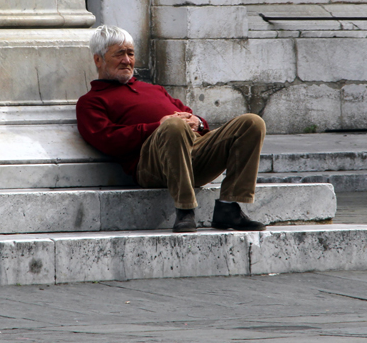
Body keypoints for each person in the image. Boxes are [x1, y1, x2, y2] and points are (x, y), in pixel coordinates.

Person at [76, 25, 267, 233]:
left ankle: (229, 208)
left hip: (194, 153)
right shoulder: (91, 101)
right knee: (173, 125)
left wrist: (198, 122)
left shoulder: (153, 89)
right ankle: (185, 210)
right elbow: (107, 140)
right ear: (98, 60)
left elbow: (190, 117)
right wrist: (158, 126)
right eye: (119, 54)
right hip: (153, 164)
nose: (127, 60)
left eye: (130, 53)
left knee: (252, 122)